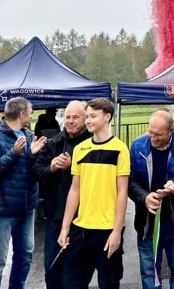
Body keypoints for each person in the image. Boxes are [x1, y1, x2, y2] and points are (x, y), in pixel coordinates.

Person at [57, 98, 130, 289]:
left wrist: (117, 231)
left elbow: (122, 192)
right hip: (80, 229)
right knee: (72, 283)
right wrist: (65, 227)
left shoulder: (120, 149)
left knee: (109, 283)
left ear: (107, 117)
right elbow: (75, 190)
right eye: (87, 116)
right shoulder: (80, 149)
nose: (88, 120)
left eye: (92, 116)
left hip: (107, 231)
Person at [129, 108, 174, 288]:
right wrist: (145, 197)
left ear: (171, 131)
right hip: (148, 223)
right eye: (150, 132)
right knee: (149, 273)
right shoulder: (137, 145)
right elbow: (129, 181)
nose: (153, 138)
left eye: (158, 135)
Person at [0, 97, 47, 289]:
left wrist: (33, 154)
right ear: (22, 113)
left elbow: (30, 169)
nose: (32, 114)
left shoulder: (27, 133)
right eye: (31, 110)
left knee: (25, 255)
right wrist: (14, 153)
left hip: (26, 207)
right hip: (2, 209)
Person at [33, 101, 92, 289]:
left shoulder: (94, 143)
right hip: (55, 216)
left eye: (75, 117)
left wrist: (72, 166)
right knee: (52, 271)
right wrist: (52, 167)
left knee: (76, 275)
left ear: (85, 119)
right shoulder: (54, 143)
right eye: (67, 117)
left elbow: (98, 176)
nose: (70, 121)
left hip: (84, 219)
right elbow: (37, 171)